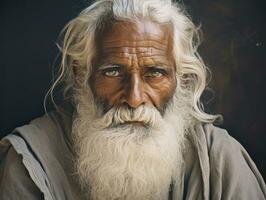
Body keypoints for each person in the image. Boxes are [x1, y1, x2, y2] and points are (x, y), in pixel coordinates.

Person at [0, 0, 265, 199]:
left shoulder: (221, 159)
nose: (134, 98)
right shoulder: (32, 161)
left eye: (155, 72)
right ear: (82, 76)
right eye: (113, 72)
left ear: (181, 80)